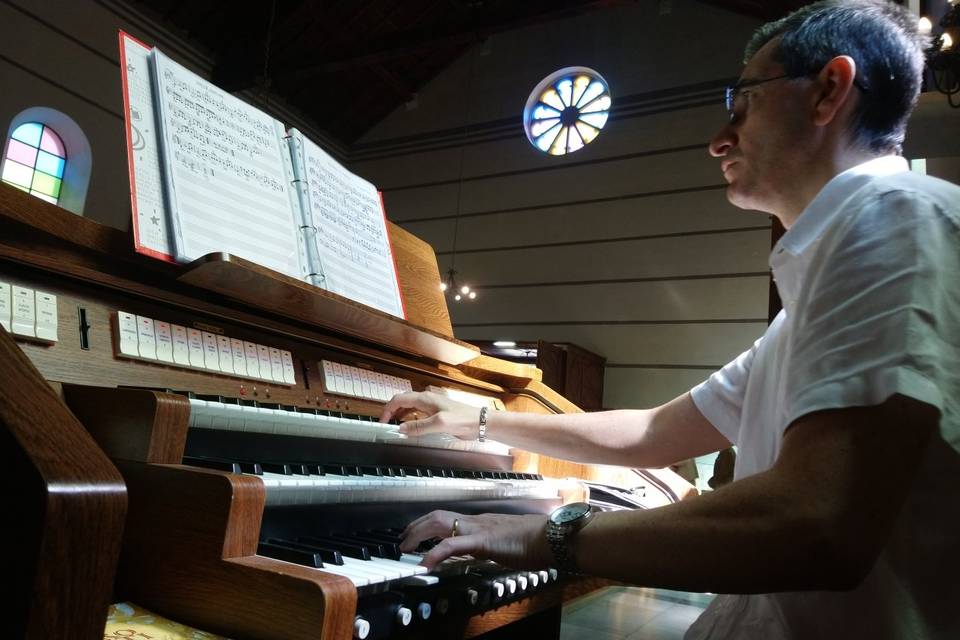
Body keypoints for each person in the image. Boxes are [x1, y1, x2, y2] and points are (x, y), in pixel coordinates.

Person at [380, 1, 960, 637]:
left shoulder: (894, 215)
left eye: (743, 104)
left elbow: (814, 520)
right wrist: (483, 419)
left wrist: (542, 534)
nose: (719, 138)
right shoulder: (805, 307)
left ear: (829, 90)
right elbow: (653, 431)